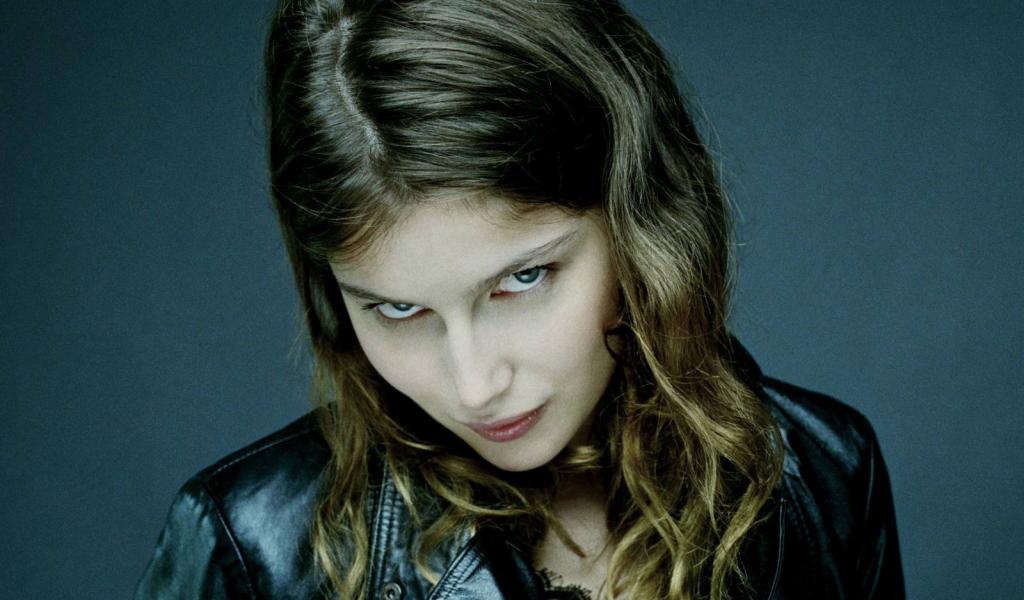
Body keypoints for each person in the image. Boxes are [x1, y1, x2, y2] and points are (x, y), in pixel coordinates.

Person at [136, 0, 904, 598]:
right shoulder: (250, 549)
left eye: (522, 280)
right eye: (397, 310)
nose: (474, 386)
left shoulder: (822, 475)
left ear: (638, 221)